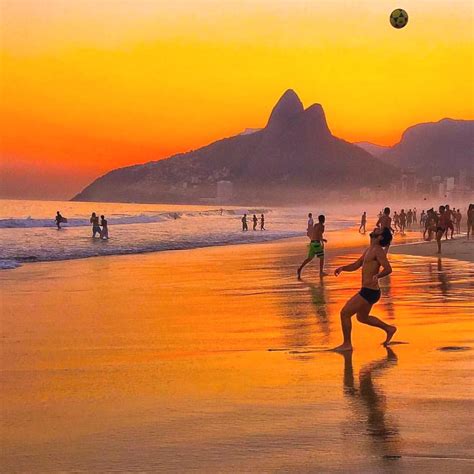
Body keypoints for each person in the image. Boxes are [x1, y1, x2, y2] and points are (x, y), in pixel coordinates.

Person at [332, 227, 396, 352]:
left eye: (379, 230)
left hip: (369, 291)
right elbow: (357, 265)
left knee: (344, 313)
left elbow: (388, 269)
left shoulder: (378, 251)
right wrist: (342, 268)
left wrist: (378, 275)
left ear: (380, 237)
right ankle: (389, 329)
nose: (376, 228)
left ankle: (347, 344)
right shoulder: (369, 250)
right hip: (369, 291)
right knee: (362, 318)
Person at [297, 214, 328, 279]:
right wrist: (322, 242)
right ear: (323, 220)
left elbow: (313, 233)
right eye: (324, 219)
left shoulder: (315, 225)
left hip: (312, 243)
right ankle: (321, 272)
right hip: (316, 243)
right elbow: (319, 235)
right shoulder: (322, 226)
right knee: (322, 258)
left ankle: (300, 268)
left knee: (309, 258)